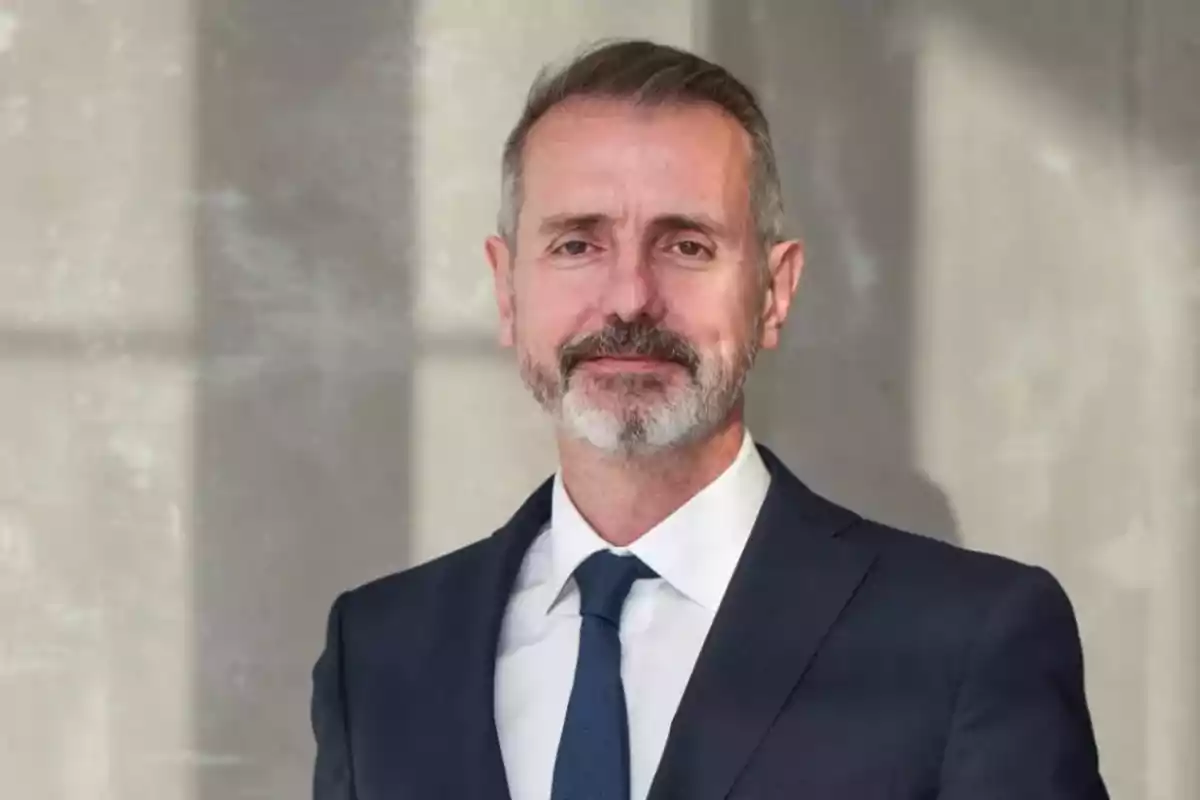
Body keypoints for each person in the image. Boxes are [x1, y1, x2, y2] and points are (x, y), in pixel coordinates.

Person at [311, 39, 1108, 800]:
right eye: (577, 244)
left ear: (774, 290)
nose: (629, 298)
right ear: (507, 289)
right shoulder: (378, 653)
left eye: (687, 246)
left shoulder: (967, 641)